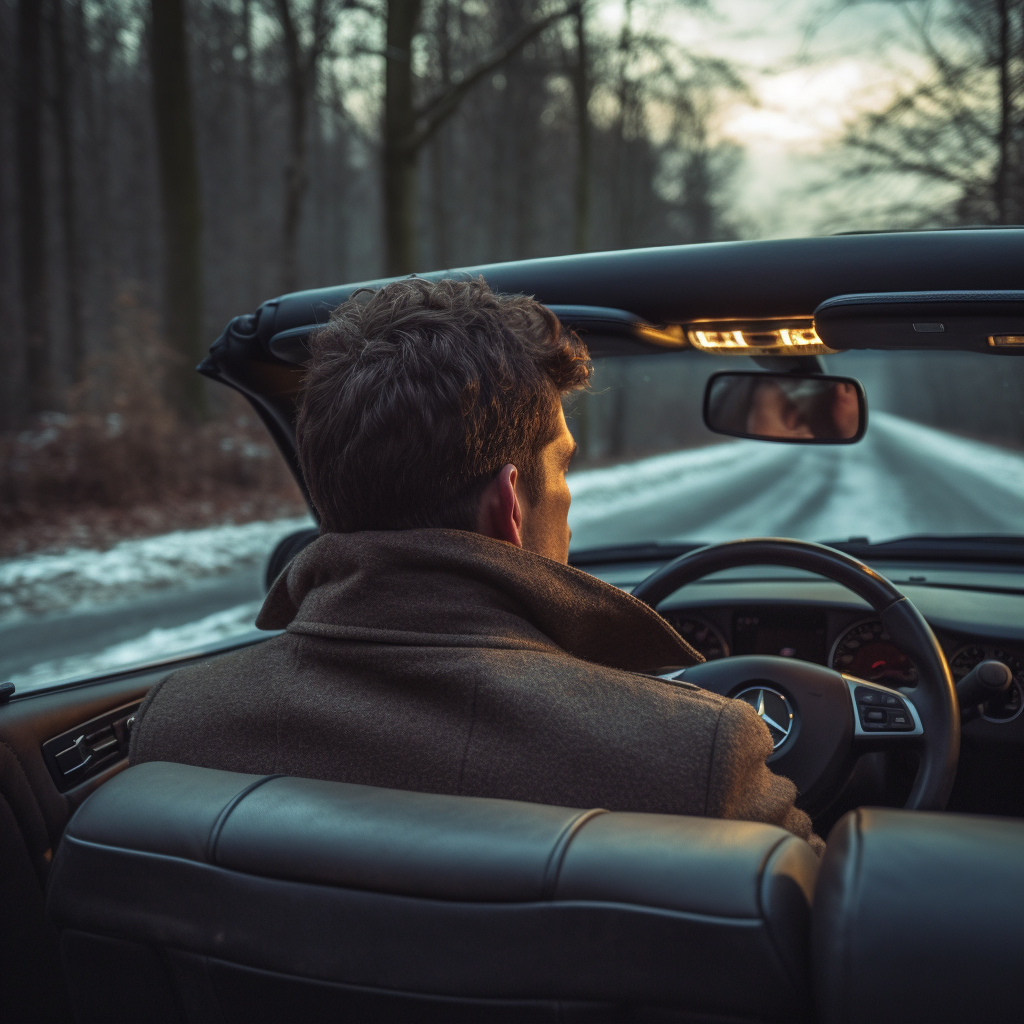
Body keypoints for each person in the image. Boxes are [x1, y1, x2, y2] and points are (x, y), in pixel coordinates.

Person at [129, 277, 823, 853]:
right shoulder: (697, 756)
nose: (569, 498)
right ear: (510, 504)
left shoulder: (176, 728)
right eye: (563, 467)